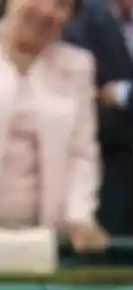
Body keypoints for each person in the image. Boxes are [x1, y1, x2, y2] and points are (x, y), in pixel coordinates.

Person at [0, 0, 107, 251]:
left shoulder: (77, 64)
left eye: (61, 4)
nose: (47, 10)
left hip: (42, 238)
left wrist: (79, 216)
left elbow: (81, 153)